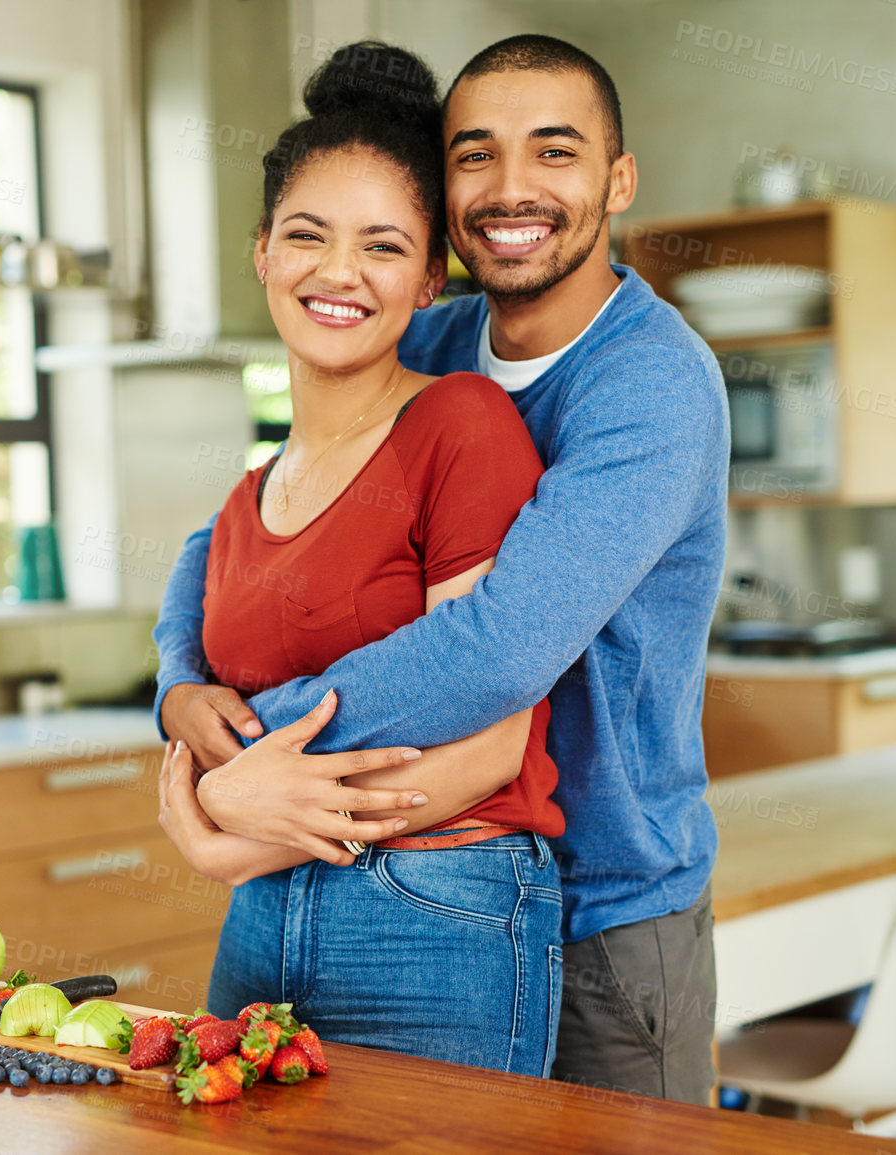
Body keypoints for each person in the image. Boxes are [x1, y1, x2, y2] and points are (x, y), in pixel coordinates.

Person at [155, 34, 729, 1105]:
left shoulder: (652, 385)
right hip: (404, 859)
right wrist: (181, 690)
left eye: (554, 153)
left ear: (618, 179)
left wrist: (249, 755)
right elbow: (234, 531)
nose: (513, 188)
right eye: (476, 155)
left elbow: (495, 648)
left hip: (608, 898)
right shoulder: (442, 333)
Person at [155, 41, 565, 1075]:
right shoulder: (250, 497)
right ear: (262, 252)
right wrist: (193, 740)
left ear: (430, 279)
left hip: (437, 912)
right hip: (260, 926)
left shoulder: (461, 426)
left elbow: (491, 746)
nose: (338, 272)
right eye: (306, 235)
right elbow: (216, 720)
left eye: (382, 247)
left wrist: (230, 834)